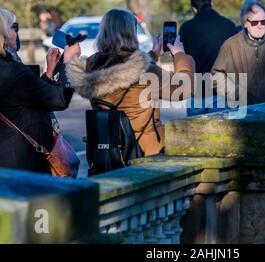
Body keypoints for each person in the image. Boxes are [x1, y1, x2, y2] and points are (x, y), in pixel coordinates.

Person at [67, 9, 195, 156]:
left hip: (109, 152)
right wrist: (180, 55)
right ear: (131, 32)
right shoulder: (147, 71)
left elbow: (119, 69)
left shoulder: (91, 65)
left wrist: (153, 54)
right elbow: (183, 88)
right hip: (144, 151)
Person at [0, 7, 79, 174]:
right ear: (1, 33)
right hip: (27, 164)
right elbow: (58, 100)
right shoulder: (12, 71)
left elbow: (28, 99)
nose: (17, 32)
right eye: (14, 27)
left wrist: (49, 73)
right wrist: (69, 62)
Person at [211, 0, 265, 106]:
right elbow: (216, 76)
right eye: (255, 22)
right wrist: (236, 93)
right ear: (245, 23)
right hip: (242, 110)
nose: (260, 26)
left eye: (263, 21)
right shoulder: (230, 45)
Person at [179, 0, 237, 116]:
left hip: (196, 90)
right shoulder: (229, 25)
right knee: (220, 133)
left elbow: (181, 59)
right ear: (212, 4)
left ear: (194, 9)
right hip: (221, 90)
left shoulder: (186, 28)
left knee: (195, 133)